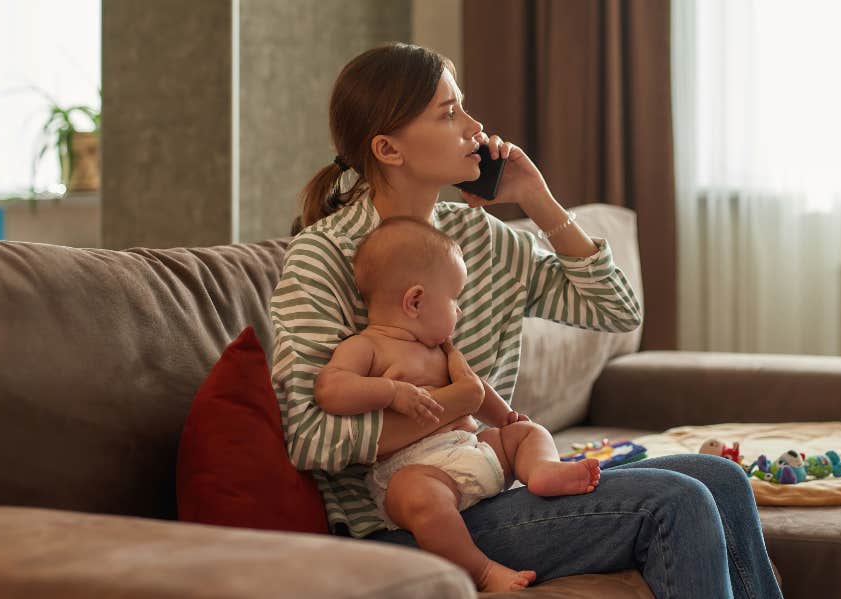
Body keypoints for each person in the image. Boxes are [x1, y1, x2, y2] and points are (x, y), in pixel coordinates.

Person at [270, 41, 784, 598]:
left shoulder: (478, 239)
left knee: (724, 480)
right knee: (677, 501)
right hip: (407, 523)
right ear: (389, 149)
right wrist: (454, 405)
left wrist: (536, 200)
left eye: (463, 106)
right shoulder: (322, 257)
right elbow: (309, 437)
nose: (474, 125)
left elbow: (617, 311)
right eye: (448, 113)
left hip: (493, 485)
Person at [315, 216, 601, 591]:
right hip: (414, 470)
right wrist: (391, 392)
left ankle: (544, 470)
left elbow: (475, 389)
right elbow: (329, 389)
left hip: (469, 450)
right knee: (419, 497)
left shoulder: (441, 351)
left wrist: (507, 418)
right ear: (415, 300)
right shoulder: (365, 346)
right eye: (454, 299)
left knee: (527, 433)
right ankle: (480, 570)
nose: (459, 312)